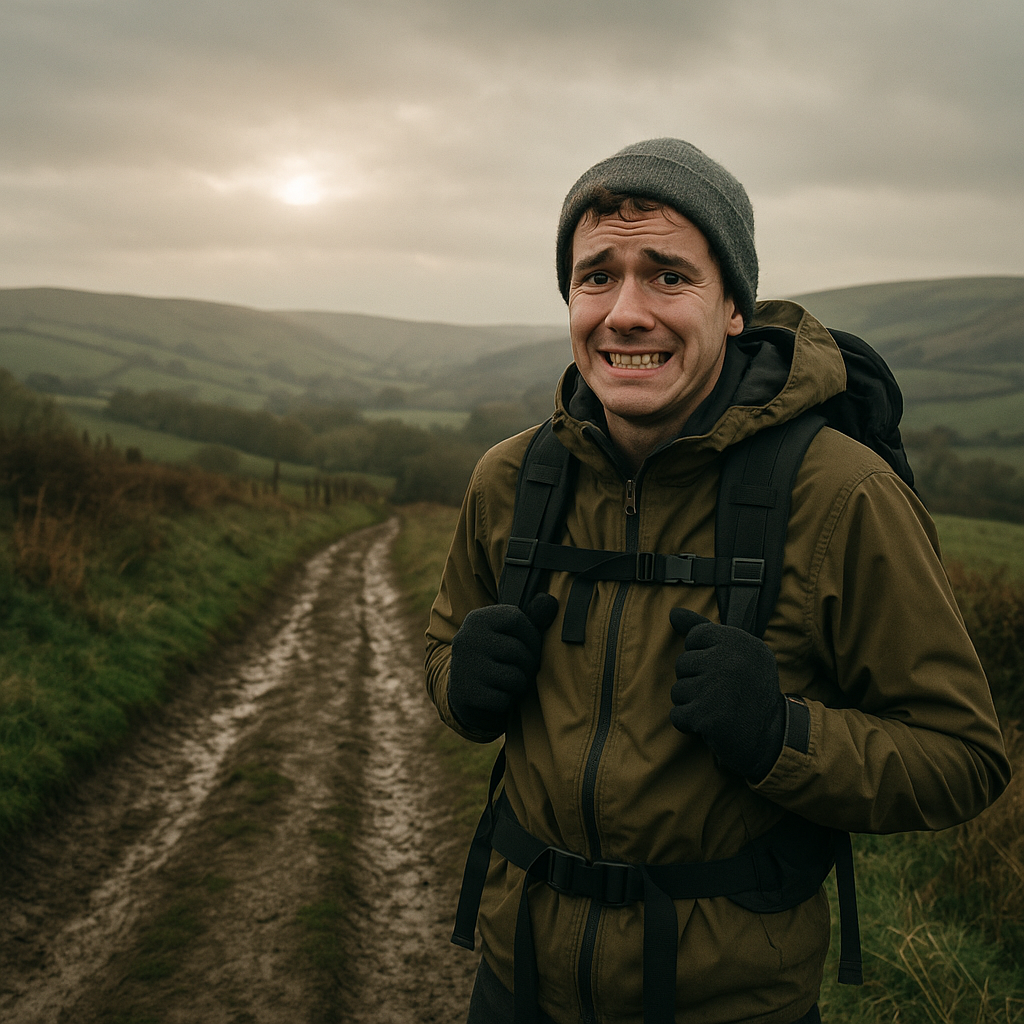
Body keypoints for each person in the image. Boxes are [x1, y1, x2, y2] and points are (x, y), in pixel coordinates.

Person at [424, 138, 1010, 1024]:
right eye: (596, 277)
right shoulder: (513, 480)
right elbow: (443, 653)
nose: (626, 312)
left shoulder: (840, 494)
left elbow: (962, 758)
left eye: (668, 276)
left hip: (729, 1005)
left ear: (733, 305)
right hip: (516, 983)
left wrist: (781, 734)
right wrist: (459, 682)